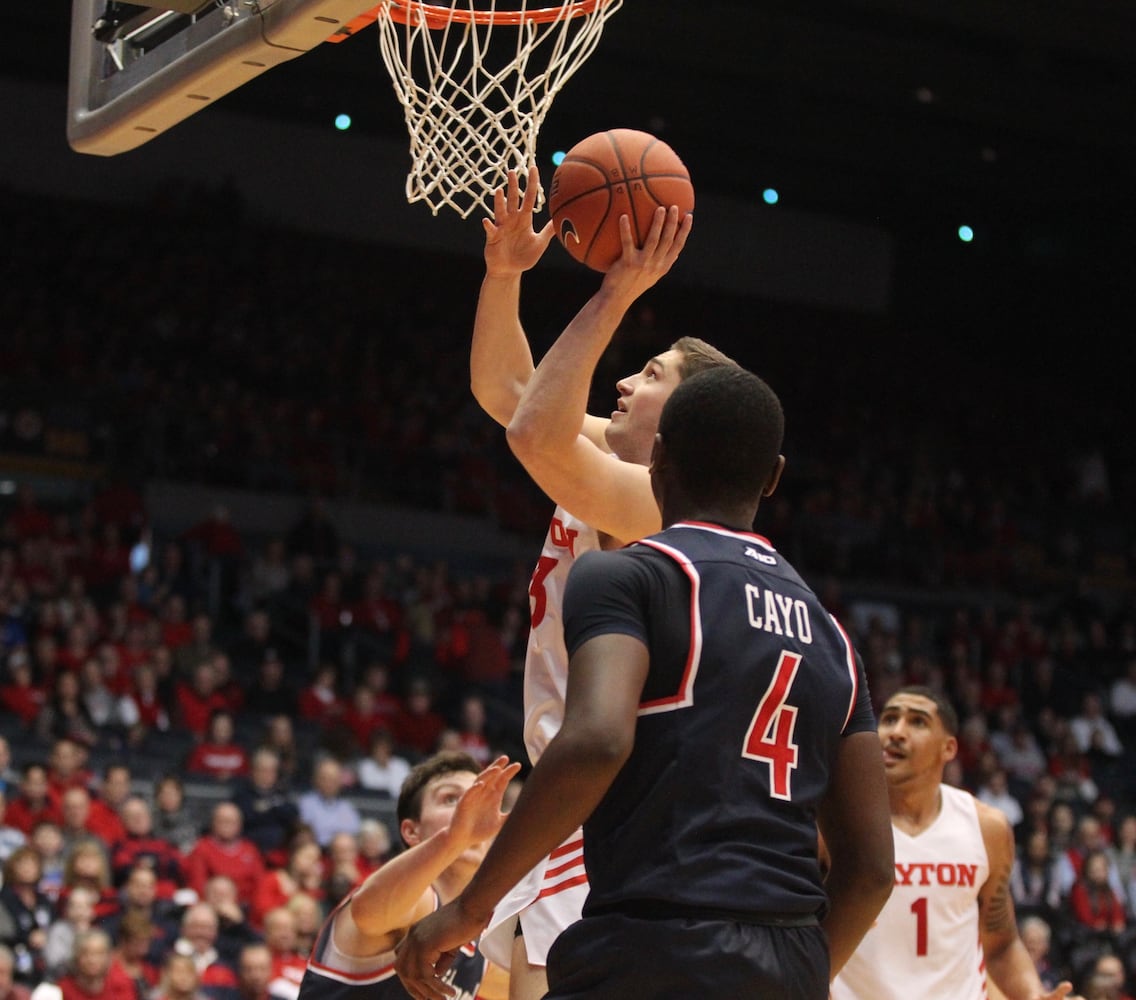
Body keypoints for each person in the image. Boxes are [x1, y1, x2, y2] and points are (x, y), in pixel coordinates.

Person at [397, 367, 895, 998]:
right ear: (773, 477)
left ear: (656, 455)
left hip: (655, 938)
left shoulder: (628, 575)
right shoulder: (832, 635)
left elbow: (597, 742)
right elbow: (873, 870)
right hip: (789, 951)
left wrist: (470, 908)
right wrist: (805, 979)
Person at [445, 165, 750, 1000]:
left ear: (683, 424)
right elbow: (511, 396)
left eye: (649, 375)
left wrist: (615, 294)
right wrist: (505, 274)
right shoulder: (608, 467)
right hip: (562, 806)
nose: (623, 379)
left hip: (602, 812)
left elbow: (535, 435)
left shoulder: (652, 504)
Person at [831, 686, 1080, 1000]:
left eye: (917, 722)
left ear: (948, 749)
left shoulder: (987, 827)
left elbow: (1000, 944)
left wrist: (1033, 994)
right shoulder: (836, 821)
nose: (896, 732)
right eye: (889, 718)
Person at [295, 751, 517, 1000]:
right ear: (412, 831)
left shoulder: (478, 946)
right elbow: (369, 912)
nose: (471, 809)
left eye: (481, 800)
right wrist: (454, 838)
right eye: (451, 799)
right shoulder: (418, 902)